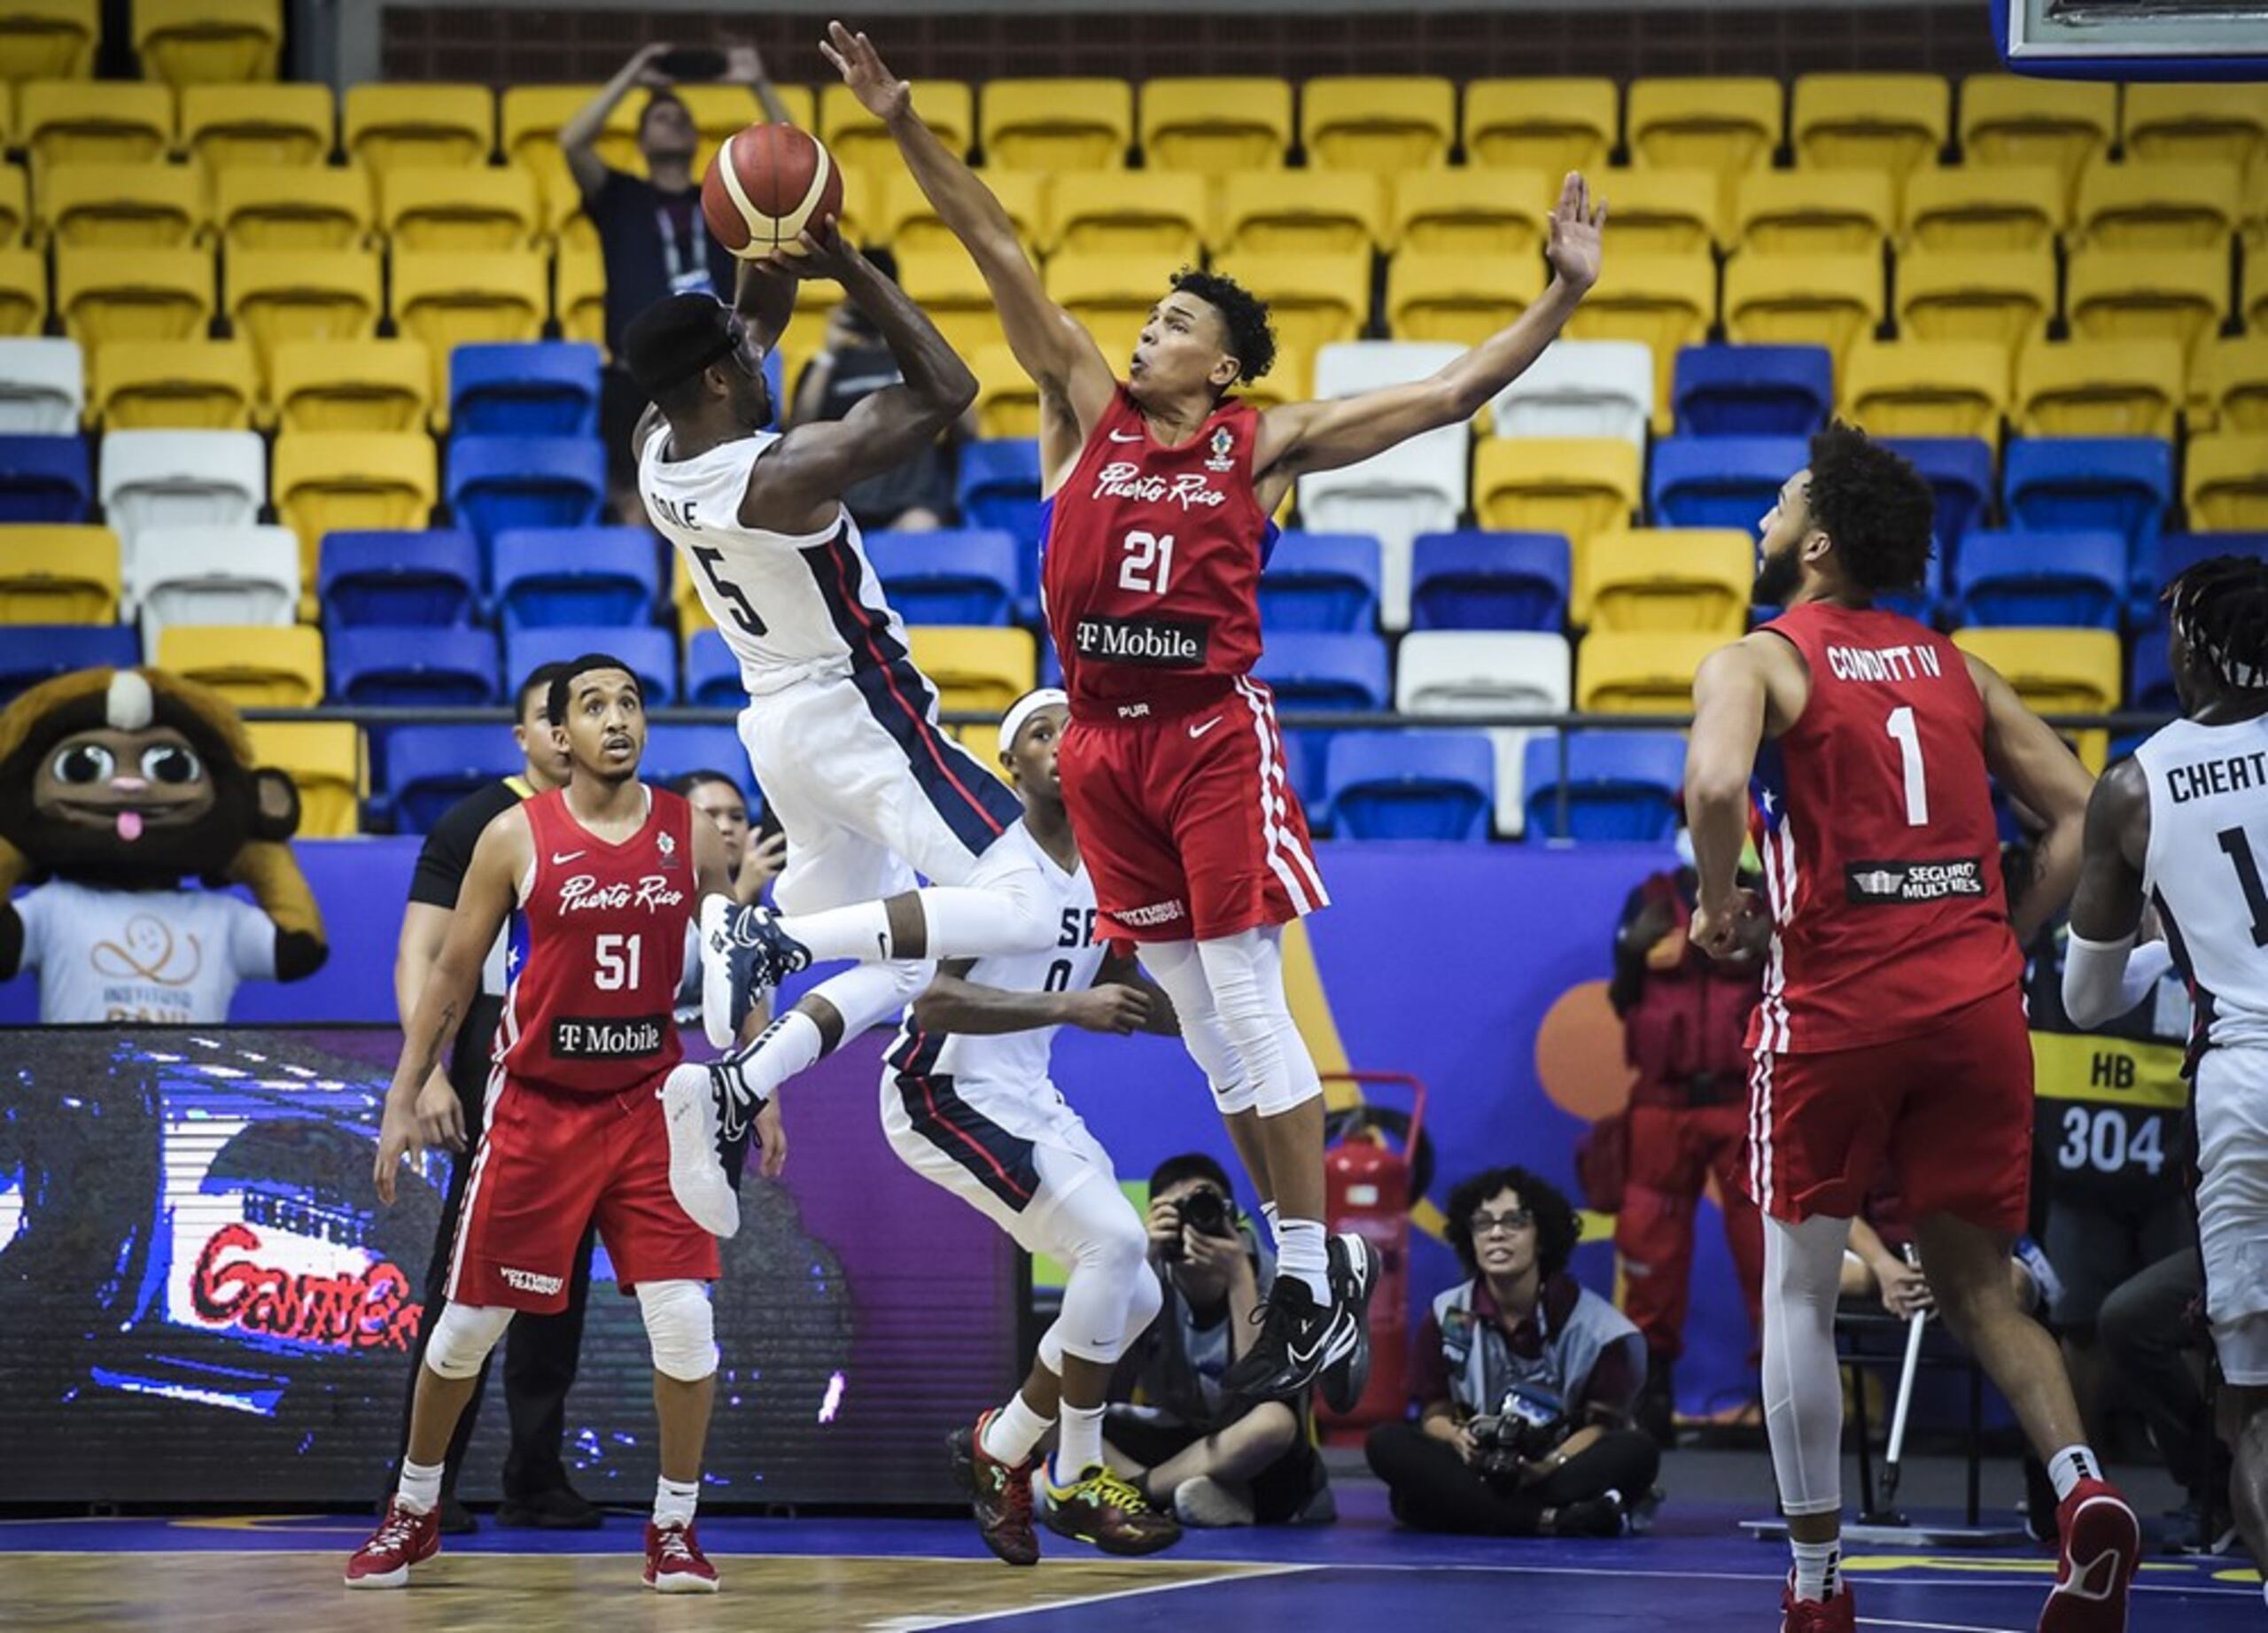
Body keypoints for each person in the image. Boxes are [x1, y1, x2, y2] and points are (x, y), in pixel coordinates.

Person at [824, 20, 1604, 1406]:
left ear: (1225, 368)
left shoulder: (1267, 442)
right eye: (1151, 314)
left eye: (1178, 322)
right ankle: (1306, 1255)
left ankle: (1310, 1262)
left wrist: (1557, 301)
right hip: (1106, 743)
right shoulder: (1082, 409)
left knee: (1243, 993)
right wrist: (896, 122)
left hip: (1204, 732)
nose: (1148, 329)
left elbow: (1448, 393)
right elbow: (996, 241)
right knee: (1193, 1014)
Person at [1682, 422, 2132, 1633]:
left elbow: (1717, 786)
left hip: (1837, 999)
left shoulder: (1758, 657)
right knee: (1986, 1287)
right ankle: (2083, 1487)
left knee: (1795, 1294)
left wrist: (1723, 905)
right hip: (1977, 1001)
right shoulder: (1958, 667)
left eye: (1777, 505)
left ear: (1816, 545)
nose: (1760, 522)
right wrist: (2013, 924)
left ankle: (1820, 1580)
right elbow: (2089, 812)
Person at [624, 227, 1102, 1238]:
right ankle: (764, 934)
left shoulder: (657, 447)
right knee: (1026, 901)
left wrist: (766, 233)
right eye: (743, 363)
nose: (762, 362)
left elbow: (749, 324)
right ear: (717, 381)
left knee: (896, 959)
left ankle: (730, 1088)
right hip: (863, 712)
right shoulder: (782, 473)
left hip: (777, 729)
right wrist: (848, 266)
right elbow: (948, 390)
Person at [346, 655, 781, 1594]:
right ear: (559, 734)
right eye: (593, 706)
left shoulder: (690, 832)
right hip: (537, 1105)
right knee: (466, 1329)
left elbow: (736, 951)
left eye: (628, 702)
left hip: (650, 1102)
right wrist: (404, 1091)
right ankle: (413, 1509)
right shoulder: (510, 835)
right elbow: (453, 977)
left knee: (685, 1326)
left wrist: (763, 1074)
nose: (616, 719)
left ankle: (673, 1528)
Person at [885, 688, 1185, 1563]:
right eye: (1038, 734)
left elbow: (1132, 991)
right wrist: (1072, 1003)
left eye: (1074, 729)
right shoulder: (999, 864)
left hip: (1023, 1088)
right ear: (1010, 766)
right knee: (1112, 1244)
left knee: (1136, 1295)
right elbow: (933, 999)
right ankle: (1076, 1474)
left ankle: (1003, 1444)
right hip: (938, 1087)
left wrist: (1216, 1014)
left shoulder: (1109, 868)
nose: (1061, 744)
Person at [2062, 555, 2268, 1591]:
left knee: (2254, 1407)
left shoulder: (2137, 785)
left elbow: (2085, 1001)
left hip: (2245, 1087)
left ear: (2197, 650)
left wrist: (2163, 953)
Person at [384, 662, 600, 1534]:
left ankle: (536, 1476)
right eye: (549, 719)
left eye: (575, 714)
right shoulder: (480, 821)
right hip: (489, 1054)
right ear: (526, 735)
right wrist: (427, 1069)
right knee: (468, 1268)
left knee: (563, 1277)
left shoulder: (614, 817)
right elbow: (424, 956)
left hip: (588, 1062)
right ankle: (421, 1480)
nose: (563, 732)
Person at [560, 41, 792, 516]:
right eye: (661, 117)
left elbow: (788, 163)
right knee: (639, 503)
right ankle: (659, 592)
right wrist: (633, 72)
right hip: (636, 375)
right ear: (641, 140)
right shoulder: (620, 196)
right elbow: (572, 142)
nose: (675, 121)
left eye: (683, 116)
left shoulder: (721, 199)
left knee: (734, 497)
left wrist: (757, 83)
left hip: (717, 374)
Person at [1363, 1166, 1656, 1538]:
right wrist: (1458, 1439)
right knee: (1386, 1442)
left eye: (1514, 1222)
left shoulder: (1603, 1331)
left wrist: (1548, 1464)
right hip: (1477, 1464)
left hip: (1559, 1464)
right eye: (1483, 1224)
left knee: (1637, 1452)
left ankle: (1470, 1511)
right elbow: (1434, 1411)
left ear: (1543, 1237)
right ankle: (1552, 1520)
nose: (1496, 1234)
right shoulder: (1450, 1315)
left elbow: (1602, 1427)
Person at [1606, 833, 1765, 1436]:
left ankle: (1777, 1392)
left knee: (1765, 1248)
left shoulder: (1767, 901)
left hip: (1743, 1098)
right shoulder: (1645, 903)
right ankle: (1649, 1398)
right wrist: (1637, 948)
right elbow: (1624, 995)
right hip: (1663, 1103)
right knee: (1651, 1244)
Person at [1103, 1154, 1337, 1531]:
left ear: (1229, 1215)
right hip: (1185, 1438)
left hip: (1258, 1456)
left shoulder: (1279, 1280)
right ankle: (1196, 1493)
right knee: (1059, 1414)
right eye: (1175, 1213)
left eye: (1204, 1207)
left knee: (1272, 1423)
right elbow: (1108, 1385)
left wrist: (1238, 1278)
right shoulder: (1147, 1279)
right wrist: (1140, 1268)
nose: (1192, 1222)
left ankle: (1136, 1493)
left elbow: (1257, 1395)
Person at [787, 261, 965, 534]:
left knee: (918, 535)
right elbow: (799, 424)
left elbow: (966, 424)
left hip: (912, 501)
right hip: (843, 503)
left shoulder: (915, 360)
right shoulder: (827, 367)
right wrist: (829, 352)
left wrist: (910, 337)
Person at [668, 771, 785, 1035]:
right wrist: (739, 894)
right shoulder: (659, 891)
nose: (725, 827)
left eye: (737, 817)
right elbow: (678, 981)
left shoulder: (772, 894)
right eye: (709, 816)